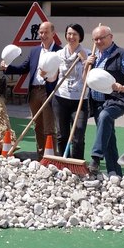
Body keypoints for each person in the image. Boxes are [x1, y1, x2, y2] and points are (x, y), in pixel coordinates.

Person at [87, 25, 124, 176]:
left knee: (106, 116)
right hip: (97, 102)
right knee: (108, 137)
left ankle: (95, 158)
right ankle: (115, 173)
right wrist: (87, 65)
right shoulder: (94, 57)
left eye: (102, 38)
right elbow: (86, 81)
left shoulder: (122, 54)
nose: (99, 41)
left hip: (116, 100)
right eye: (95, 39)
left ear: (111, 37)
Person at [2, 22, 62, 160]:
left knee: (49, 128)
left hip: (49, 92)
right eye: (41, 32)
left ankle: (51, 157)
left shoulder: (59, 52)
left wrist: (48, 76)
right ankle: (41, 155)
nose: (43, 35)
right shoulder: (35, 51)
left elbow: (62, 74)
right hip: (34, 92)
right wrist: (8, 68)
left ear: (53, 34)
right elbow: (24, 68)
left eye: (46, 32)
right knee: (37, 126)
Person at [50, 23, 91, 158]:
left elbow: (88, 80)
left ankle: (77, 164)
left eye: (74, 34)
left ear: (80, 37)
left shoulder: (88, 54)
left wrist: (86, 62)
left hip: (80, 99)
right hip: (60, 98)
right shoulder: (59, 54)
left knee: (78, 135)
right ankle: (62, 162)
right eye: (69, 33)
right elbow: (53, 78)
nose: (71, 37)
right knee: (62, 134)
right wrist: (45, 73)